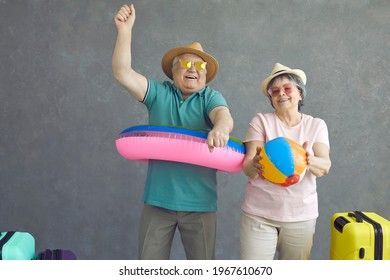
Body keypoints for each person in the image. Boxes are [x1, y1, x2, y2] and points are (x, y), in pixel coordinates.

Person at [112, 4, 234, 260]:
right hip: (157, 202)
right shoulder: (159, 93)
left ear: (205, 76)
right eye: (186, 64)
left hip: (200, 204)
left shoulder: (210, 97)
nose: (193, 69)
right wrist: (125, 31)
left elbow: (223, 116)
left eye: (199, 67)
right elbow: (122, 73)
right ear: (174, 71)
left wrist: (221, 128)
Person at [240, 63, 331, 260]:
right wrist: (255, 164)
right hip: (259, 214)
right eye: (274, 91)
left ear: (300, 93)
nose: (281, 94)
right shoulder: (260, 121)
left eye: (287, 88)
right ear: (271, 98)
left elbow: (325, 166)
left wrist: (309, 160)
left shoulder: (316, 125)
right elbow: (247, 167)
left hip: (301, 217)